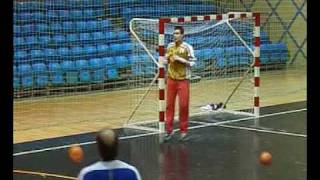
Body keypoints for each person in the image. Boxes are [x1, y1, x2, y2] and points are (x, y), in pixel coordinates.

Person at [163, 26, 197, 142]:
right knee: (169, 105)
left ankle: (183, 131)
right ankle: (169, 130)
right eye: (174, 33)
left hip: (183, 80)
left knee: (183, 105)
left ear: (182, 35)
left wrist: (180, 59)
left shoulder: (188, 47)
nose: (175, 35)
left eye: (177, 33)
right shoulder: (170, 46)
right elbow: (166, 61)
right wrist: (166, 59)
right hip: (171, 79)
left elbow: (193, 63)